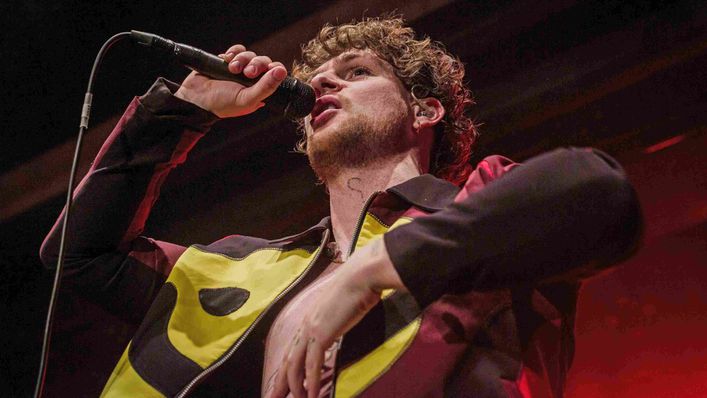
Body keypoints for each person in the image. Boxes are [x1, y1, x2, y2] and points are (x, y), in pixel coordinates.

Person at [40, 16, 642, 398]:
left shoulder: (479, 214)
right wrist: (179, 111)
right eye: (318, 78)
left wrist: (371, 271)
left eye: (354, 72)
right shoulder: (227, 267)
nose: (324, 84)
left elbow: (598, 190)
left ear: (425, 112)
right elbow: (78, 255)